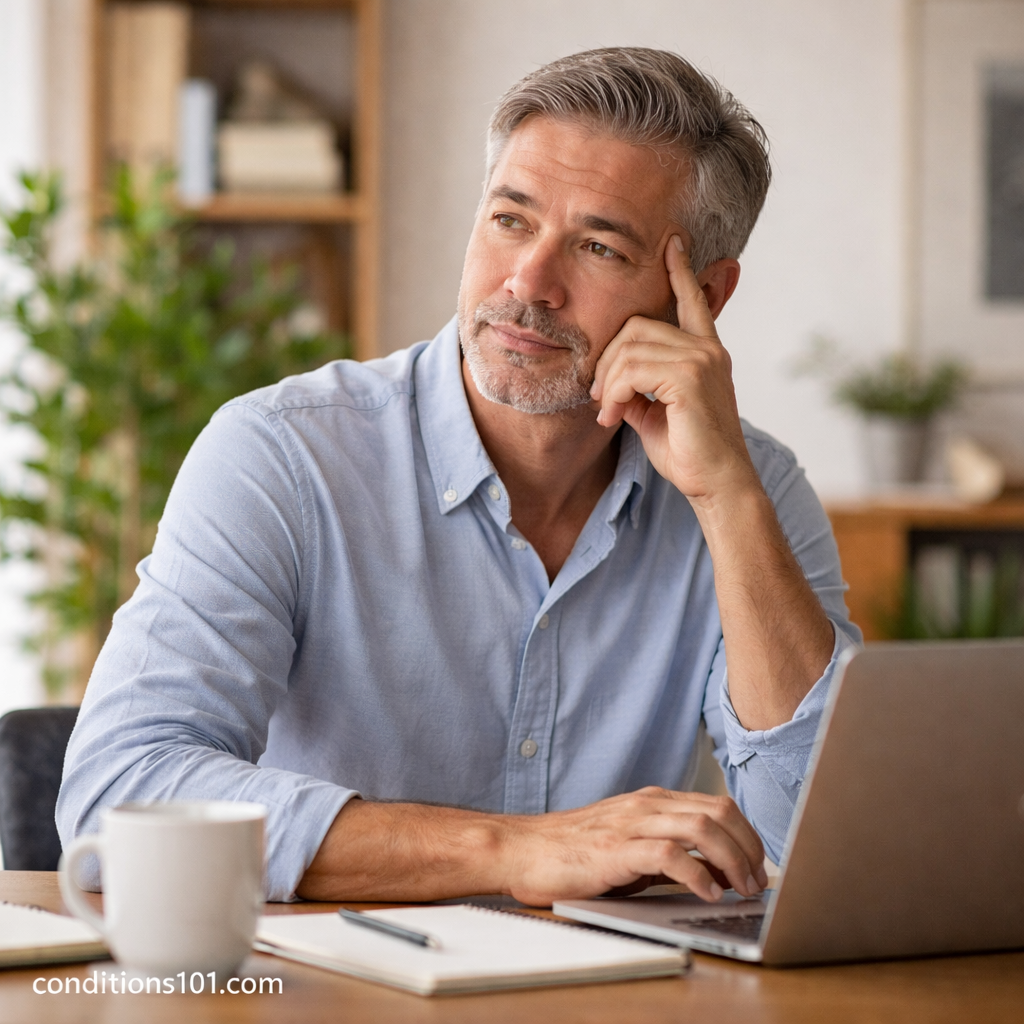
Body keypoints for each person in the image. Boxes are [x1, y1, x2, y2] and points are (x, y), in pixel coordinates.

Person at [57, 48, 860, 905]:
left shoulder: (751, 487)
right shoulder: (282, 456)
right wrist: (514, 852)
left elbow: (824, 840)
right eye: (511, 220)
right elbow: (119, 796)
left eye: (597, 246)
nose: (528, 282)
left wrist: (727, 502)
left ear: (703, 293)